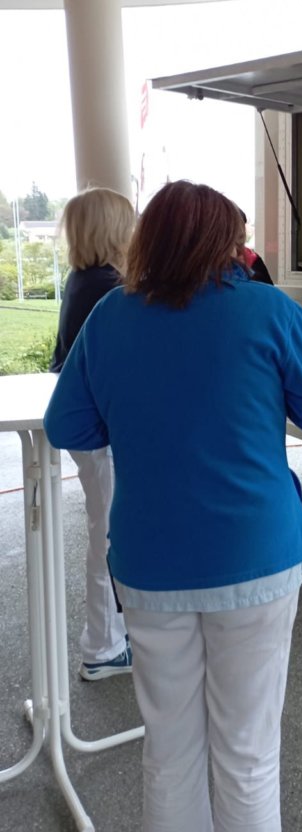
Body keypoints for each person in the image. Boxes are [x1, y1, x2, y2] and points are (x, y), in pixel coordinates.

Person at [44, 180, 302, 832]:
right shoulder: (267, 309)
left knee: (170, 750)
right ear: (227, 244)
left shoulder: (110, 315)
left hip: (150, 563)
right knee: (247, 755)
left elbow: (68, 426)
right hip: (255, 557)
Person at [50, 186, 136, 680]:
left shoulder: (82, 280)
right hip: (101, 433)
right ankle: (102, 647)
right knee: (108, 535)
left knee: (106, 528)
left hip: (88, 428)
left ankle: (113, 635)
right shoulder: (109, 289)